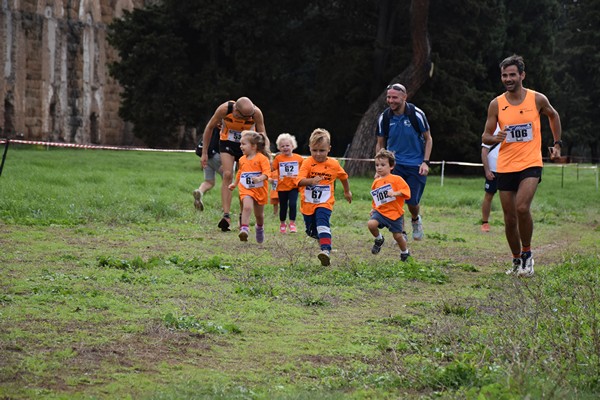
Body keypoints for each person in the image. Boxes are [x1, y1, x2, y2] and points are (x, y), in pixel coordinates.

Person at [482, 54, 562, 277]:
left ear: (522, 75)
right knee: (509, 218)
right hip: (506, 165)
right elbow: (486, 136)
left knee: (522, 208)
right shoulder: (496, 104)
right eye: (504, 75)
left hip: (530, 162)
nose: (508, 79)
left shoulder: (537, 99)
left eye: (512, 74)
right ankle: (516, 259)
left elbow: (553, 116)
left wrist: (557, 144)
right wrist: (494, 138)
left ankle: (527, 255)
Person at [375, 83, 433, 241]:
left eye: (394, 97)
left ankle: (415, 219)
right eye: (388, 97)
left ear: (404, 97)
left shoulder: (417, 114)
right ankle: (401, 232)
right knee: (394, 199)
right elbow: (380, 143)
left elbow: (428, 139)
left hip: (415, 165)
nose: (390, 100)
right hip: (395, 165)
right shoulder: (384, 117)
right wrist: (379, 167)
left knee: (412, 201)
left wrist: (425, 162)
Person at [201, 97, 268, 232]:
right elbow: (209, 127)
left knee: (244, 179)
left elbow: (262, 134)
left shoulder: (256, 113)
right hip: (227, 143)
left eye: (248, 117)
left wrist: (265, 154)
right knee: (227, 174)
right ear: (236, 110)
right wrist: (204, 152)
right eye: (243, 116)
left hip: (248, 146)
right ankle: (226, 216)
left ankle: (243, 217)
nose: (246, 119)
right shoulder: (224, 109)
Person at [297, 128, 352, 266]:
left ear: (329, 149)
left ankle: (326, 251)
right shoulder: (307, 163)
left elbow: (344, 177)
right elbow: (298, 181)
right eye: (314, 150)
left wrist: (347, 192)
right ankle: (322, 239)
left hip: (325, 202)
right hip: (308, 203)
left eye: (322, 150)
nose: (318, 154)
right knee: (311, 231)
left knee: (322, 221)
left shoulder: (333, 164)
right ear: (309, 148)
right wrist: (311, 181)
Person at [368, 149, 412, 261]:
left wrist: (395, 193)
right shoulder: (376, 182)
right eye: (377, 165)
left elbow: (407, 192)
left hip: (395, 214)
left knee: (397, 236)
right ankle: (379, 239)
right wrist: (373, 208)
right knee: (371, 224)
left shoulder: (397, 179)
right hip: (381, 212)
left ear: (391, 166)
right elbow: (375, 197)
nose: (379, 167)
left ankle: (404, 252)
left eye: (383, 165)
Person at [228, 131, 271, 243]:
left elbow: (267, 173)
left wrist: (259, 178)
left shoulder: (262, 159)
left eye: (243, 144)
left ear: (253, 146)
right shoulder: (242, 159)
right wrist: (234, 183)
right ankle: (244, 229)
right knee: (246, 207)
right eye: (240, 144)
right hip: (246, 188)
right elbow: (240, 173)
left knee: (259, 215)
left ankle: (259, 228)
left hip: (259, 190)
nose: (240, 146)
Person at [272, 133, 304, 234]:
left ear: (292, 146)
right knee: (283, 206)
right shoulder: (278, 159)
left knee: (293, 204)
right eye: (282, 146)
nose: (285, 148)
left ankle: (292, 223)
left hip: (294, 186)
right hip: (282, 187)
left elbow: (304, 170)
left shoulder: (299, 158)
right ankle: (282, 224)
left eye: (287, 145)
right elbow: (272, 168)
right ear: (279, 148)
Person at [193, 125, 222, 211]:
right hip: (220, 156)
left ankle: (200, 191)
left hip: (207, 155)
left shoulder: (211, 127)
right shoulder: (227, 126)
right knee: (228, 183)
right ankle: (225, 208)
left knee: (209, 182)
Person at [480, 125, 501, 232]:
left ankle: (512, 222)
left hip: (509, 169)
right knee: (488, 195)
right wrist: (487, 170)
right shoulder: (493, 127)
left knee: (511, 197)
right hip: (493, 170)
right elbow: (484, 150)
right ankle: (485, 222)